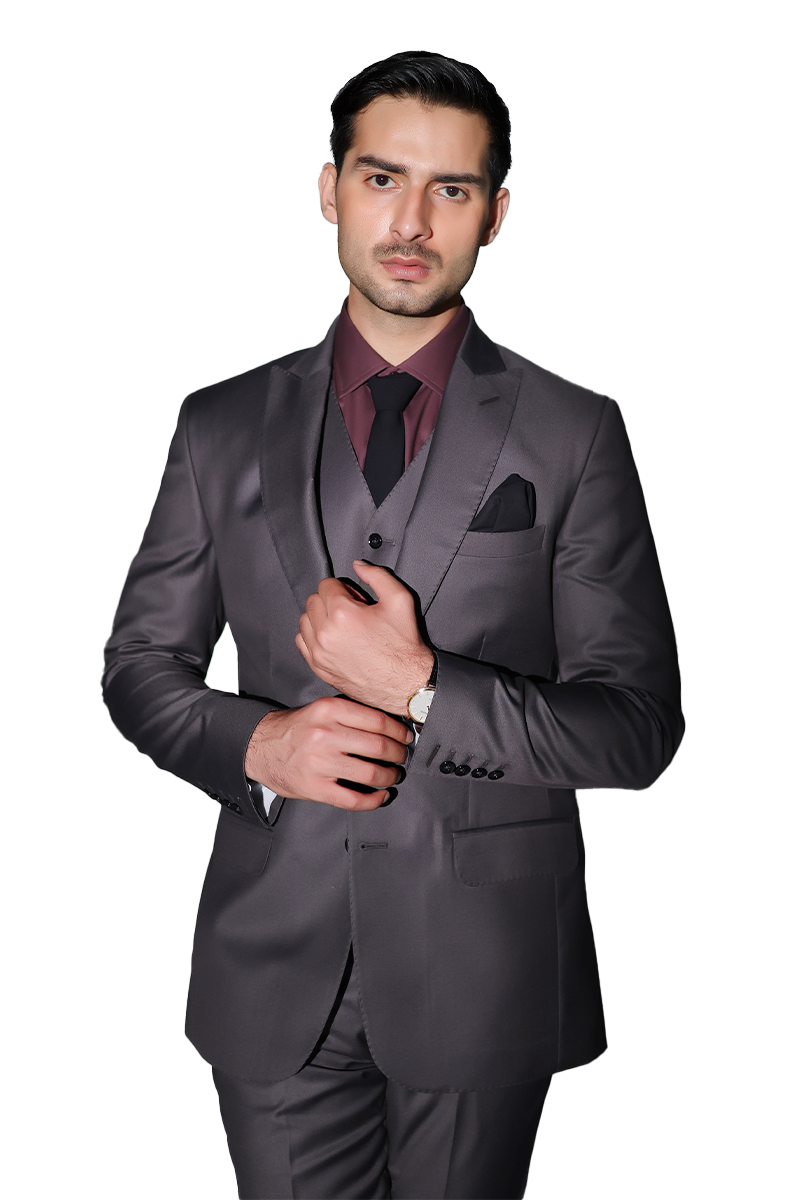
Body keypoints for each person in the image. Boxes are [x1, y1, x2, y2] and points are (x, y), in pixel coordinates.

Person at [103, 50, 684, 1200]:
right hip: (272, 963)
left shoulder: (572, 434)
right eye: (381, 179)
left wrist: (422, 688)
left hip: (486, 971)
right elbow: (140, 667)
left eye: (449, 190)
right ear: (330, 190)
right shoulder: (218, 424)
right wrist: (260, 746)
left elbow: (633, 728)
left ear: (494, 214)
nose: (411, 222)